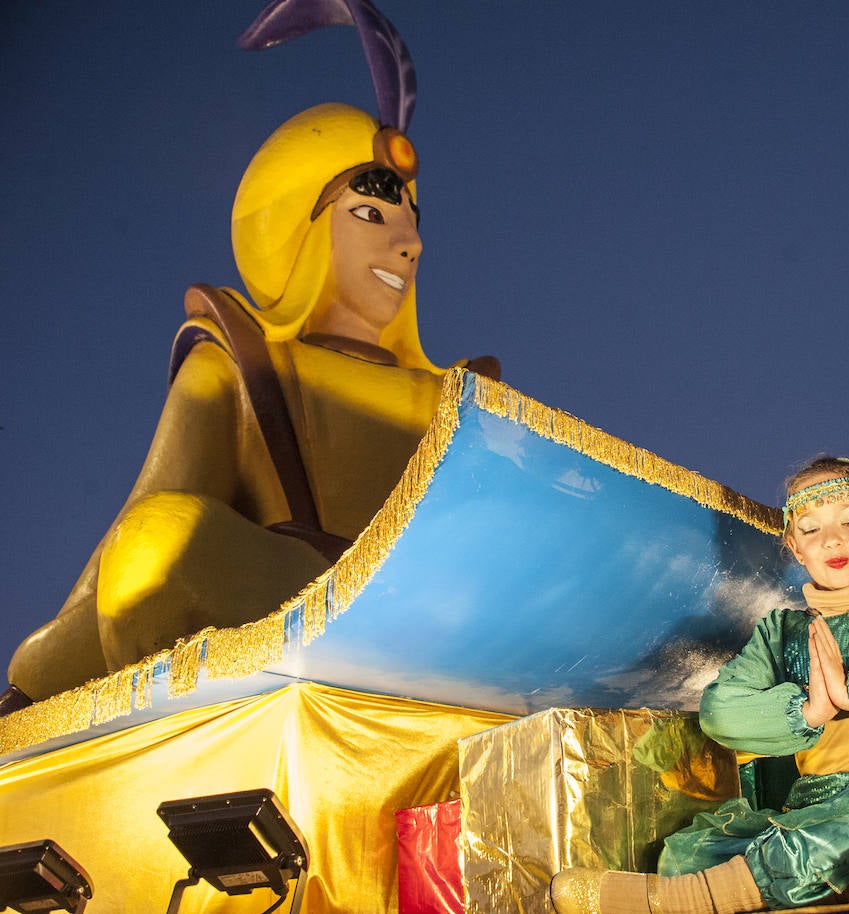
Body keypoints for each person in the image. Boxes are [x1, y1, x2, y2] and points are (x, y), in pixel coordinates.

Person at [4, 102, 498, 705]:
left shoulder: (457, 398)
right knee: (156, 545)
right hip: (291, 593)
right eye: (372, 213)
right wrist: (40, 670)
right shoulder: (238, 365)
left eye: (413, 222)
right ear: (300, 228)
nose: (410, 243)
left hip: (434, 620)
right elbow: (145, 523)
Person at [549, 457, 849, 913]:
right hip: (808, 806)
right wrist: (809, 712)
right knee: (688, 851)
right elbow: (721, 710)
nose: (832, 539)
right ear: (796, 549)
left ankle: (691, 900)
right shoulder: (781, 631)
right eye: (811, 530)